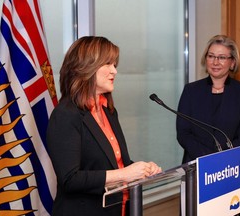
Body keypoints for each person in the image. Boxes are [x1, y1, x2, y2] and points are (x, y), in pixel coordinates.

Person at [46, 36, 162, 216]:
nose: (114, 71)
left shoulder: (108, 110)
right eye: (107, 64)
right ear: (85, 66)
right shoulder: (66, 114)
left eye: (115, 64)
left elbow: (114, 163)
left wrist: (141, 169)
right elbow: (70, 179)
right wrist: (125, 174)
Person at [176, 35, 240, 164]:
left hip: (230, 165)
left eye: (222, 57)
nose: (215, 62)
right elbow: (183, 133)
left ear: (232, 63)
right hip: (196, 165)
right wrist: (208, 159)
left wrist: (222, 160)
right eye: (211, 56)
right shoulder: (191, 91)